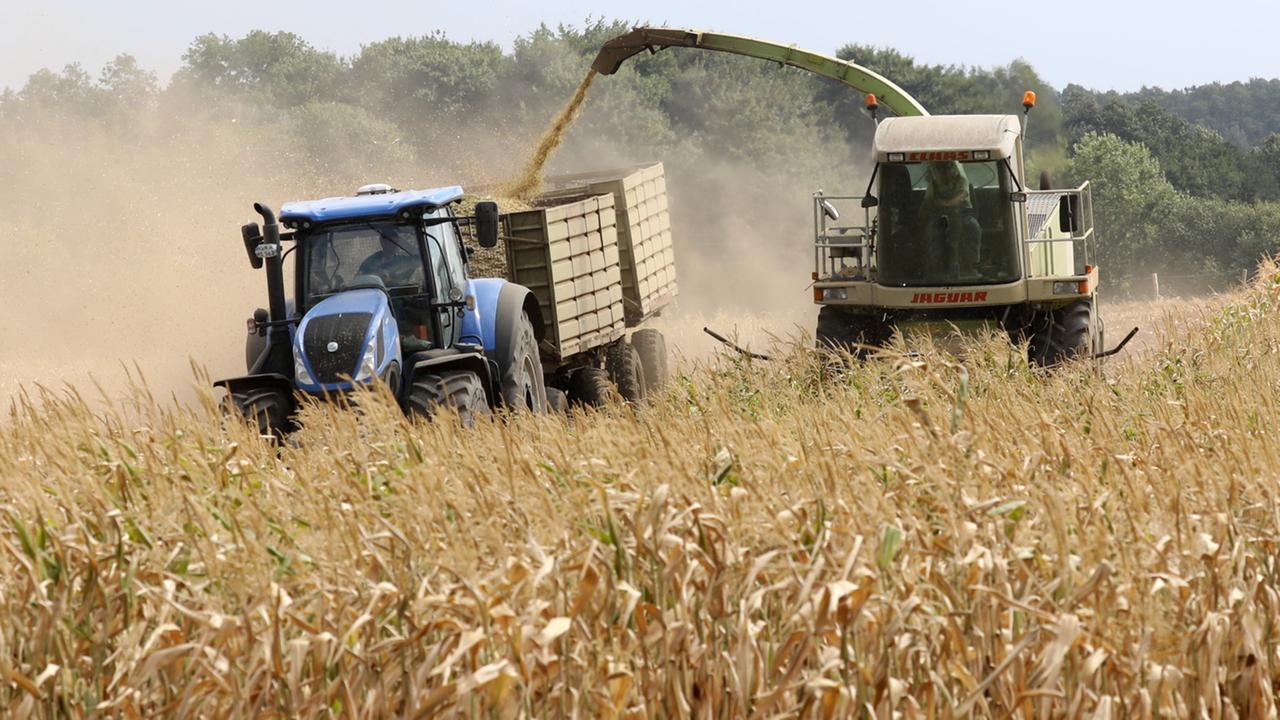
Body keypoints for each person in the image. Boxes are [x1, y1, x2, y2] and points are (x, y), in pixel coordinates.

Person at [917, 161, 981, 277]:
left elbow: (961, 196)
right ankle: (935, 266)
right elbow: (926, 203)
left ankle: (970, 264)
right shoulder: (934, 185)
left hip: (963, 214)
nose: (944, 173)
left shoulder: (962, 181)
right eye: (940, 170)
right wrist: (923, 212)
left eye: (947, 169)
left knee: (973, 226)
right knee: (932, 231)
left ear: (954, 169)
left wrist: (945, 204)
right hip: (939, 217)